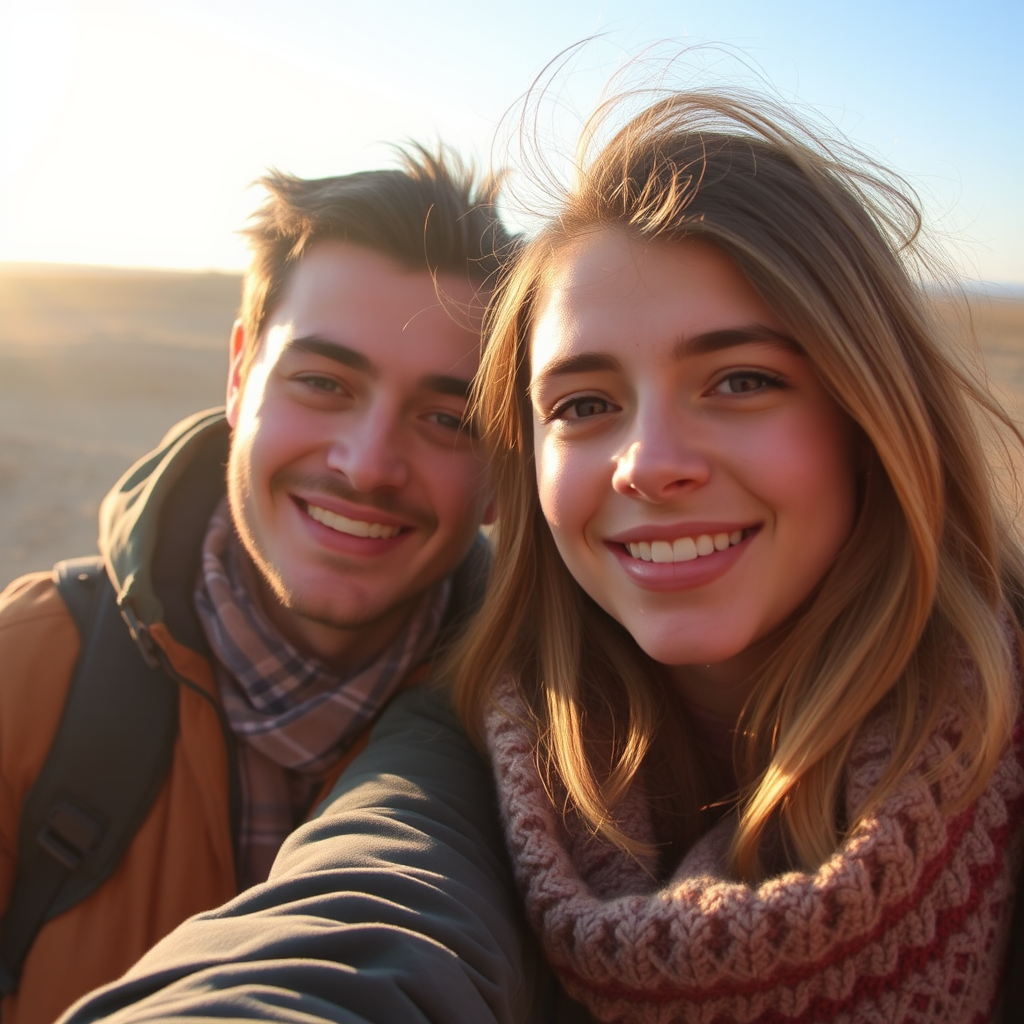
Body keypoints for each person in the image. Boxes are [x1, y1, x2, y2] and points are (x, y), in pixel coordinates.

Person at [56, 91, 1024, 1024]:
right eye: (584, 404)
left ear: (870, 412)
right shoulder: (493, 740)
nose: (647, 465)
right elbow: (370, 914)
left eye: (739, 379)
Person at [0, 147, 512, 1024]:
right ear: (240, 373)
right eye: (322, 382)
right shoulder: (27, 673)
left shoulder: (557, 743)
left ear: (505, 460)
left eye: (446, 418)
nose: (367, 465)